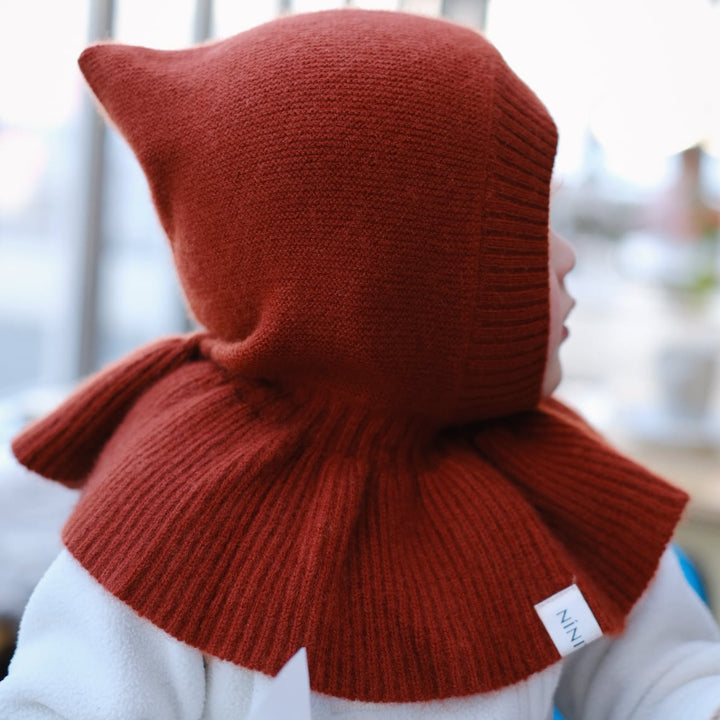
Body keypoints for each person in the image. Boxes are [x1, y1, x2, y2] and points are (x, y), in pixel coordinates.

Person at [1, 9, 720, 719]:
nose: (567, 259)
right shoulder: (177, 510)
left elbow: (677, 677)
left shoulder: (542, 466)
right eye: (522, 227)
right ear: (386, 278)